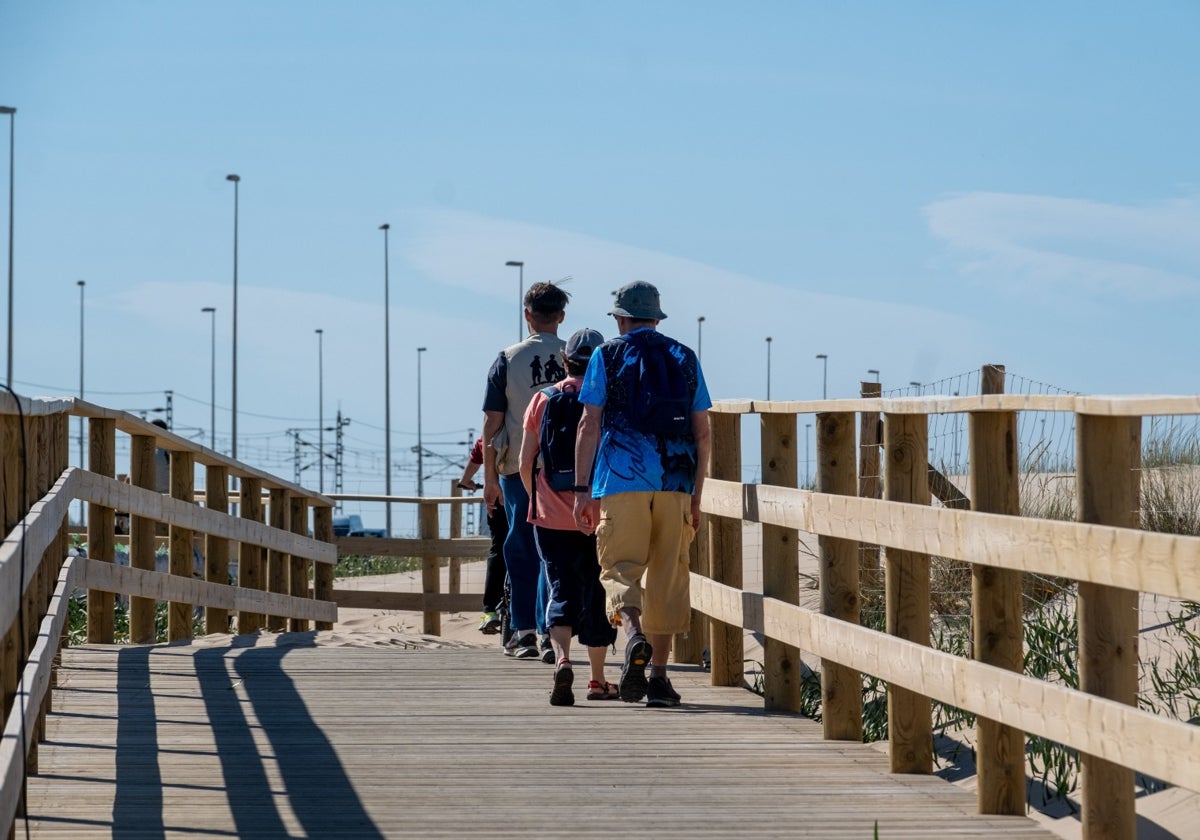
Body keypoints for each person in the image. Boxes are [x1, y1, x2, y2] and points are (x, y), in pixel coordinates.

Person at [573, 281, 712, 707]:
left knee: (620, 568)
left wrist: (582, 490)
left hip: (621, 478)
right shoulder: (684, 356)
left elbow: (589, 423)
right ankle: (659, 679)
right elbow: (703, 430)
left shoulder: (606, 354)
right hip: (675, 478)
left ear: (619, 318)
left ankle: (633, 635)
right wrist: (696, 492)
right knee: (669, 574)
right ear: (656, 316)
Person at [519, 327, 619, 706]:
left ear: (564, 361)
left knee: (559, 586)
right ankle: (597, 680)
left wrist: (537, 499)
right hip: (597, 511)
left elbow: (524, 460)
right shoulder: (605, 400)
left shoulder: (543, 399)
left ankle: (561, 659)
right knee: (596, 591)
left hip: (549, 513)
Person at [482, 281, 570, 661]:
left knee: (521, 546)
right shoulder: (579, 354)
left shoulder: (507, 357)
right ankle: (554, 629)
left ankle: (523, 632)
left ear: (527, 314)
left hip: (518, 466)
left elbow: (491, 423)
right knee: (557, 548)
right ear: (561, 317)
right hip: (568, 468)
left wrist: (488, 479)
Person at [458, 436, 508, 635]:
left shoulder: (492, 435)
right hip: (527, 497)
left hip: (497, 499)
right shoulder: (524, 426)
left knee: (498, 548)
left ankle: (489, 611)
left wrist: (466, 481)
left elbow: (478, 453)